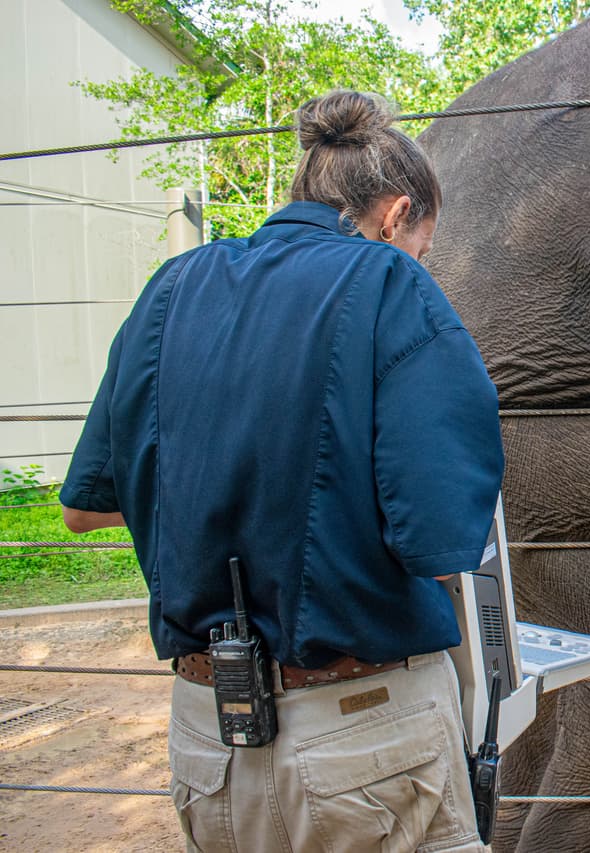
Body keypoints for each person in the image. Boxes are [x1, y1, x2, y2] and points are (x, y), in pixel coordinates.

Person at [60, 90, 501, 853]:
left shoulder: (171, 286)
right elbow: (438, 540)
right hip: (364, 731)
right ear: (395, 215)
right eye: (421, 245)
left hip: (207, 739)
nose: (417, 263)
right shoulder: (392, 284)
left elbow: (85, 507)